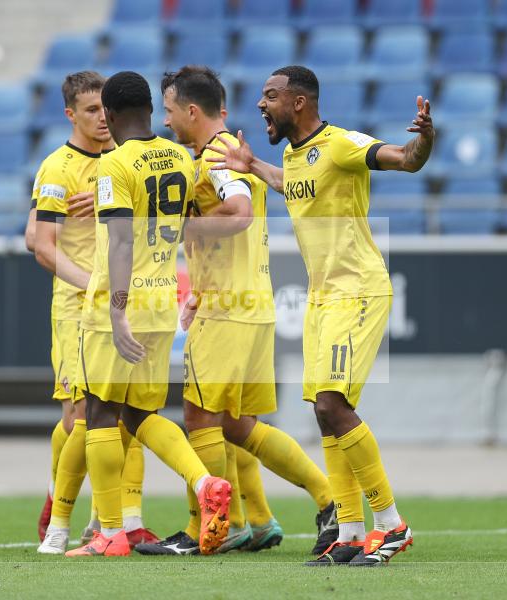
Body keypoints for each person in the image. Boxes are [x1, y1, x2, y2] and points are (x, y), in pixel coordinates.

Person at [206, 65, 434, 567]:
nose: (261, 104)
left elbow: (405, 159)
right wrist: (252, 165)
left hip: (357, 292)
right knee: (323, 412)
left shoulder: (341, 144)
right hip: (322, 298)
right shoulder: (295, 154)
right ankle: (349, 532)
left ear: (299, 102)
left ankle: (390, 524)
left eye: (270, 96)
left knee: (333, 405)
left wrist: (425, 138)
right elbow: (292, 183)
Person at [134, 65, 336, 557]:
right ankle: (329, 500)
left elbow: (239, 213)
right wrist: (199, 287)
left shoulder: (219, 158)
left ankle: (202, 528)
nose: (165, 121)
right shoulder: (226, 155)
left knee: (199, 417)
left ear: (192, 111)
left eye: (169, 110)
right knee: (238, 426)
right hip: (249, 303)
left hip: (229, 312)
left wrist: (182, 226)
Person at [67, 71, 231, 558]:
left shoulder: (114, 164)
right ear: (151, 110)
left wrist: (117, 313)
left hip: (119, 303)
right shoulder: (181, 157)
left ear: (110, 114)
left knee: (100, 411)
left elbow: (120, 242)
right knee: (141, 415)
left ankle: (110, 534)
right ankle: (203, 483)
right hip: (162, 301)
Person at [24, 71, 155, 553]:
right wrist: (94, 284)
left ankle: (110, 521)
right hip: (77, 305)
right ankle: (58, 501)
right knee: (79, 415)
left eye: (105, 109)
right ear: (70, 115)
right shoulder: (58, 168)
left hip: (124, 302)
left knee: (122, 413)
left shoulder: (123, 160)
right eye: (91, 110)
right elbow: (40, 244)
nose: (102, 118)